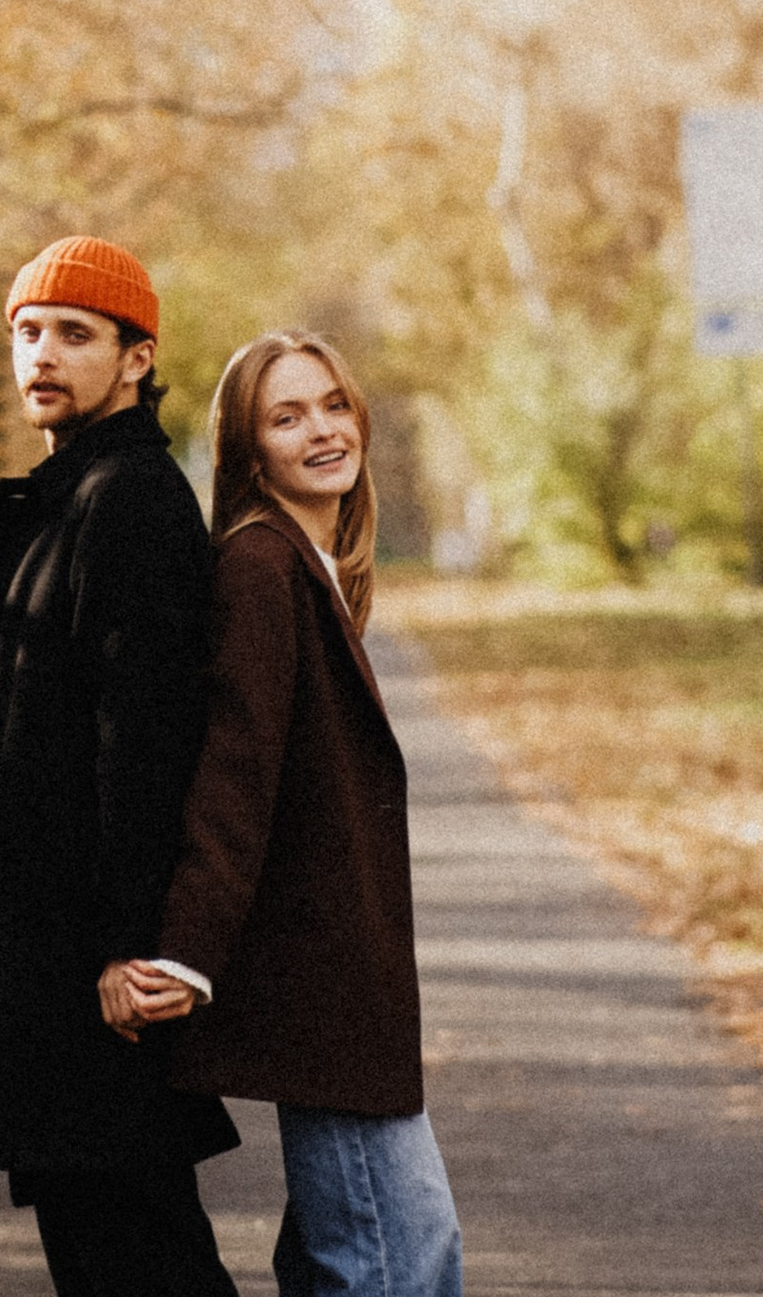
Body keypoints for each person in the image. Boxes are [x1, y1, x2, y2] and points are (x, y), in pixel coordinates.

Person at [116, 331, 465, 1297]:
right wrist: (189, 951)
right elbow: (235, 771)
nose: (322, 431)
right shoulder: (261, 569)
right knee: (399, 1260)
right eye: (287, 416)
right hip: (323, 990)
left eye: (333, 405)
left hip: (343, 991)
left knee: (346, 1259)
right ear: (249, 448)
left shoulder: (304, 563)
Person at [0, 236, 242, 1297]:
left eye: (75, 333)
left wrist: (126, 947)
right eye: (26, 332)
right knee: (106, 1239)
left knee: (138, 1250)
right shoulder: (72, 492)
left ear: (136, 356)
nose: (43, 354)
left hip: (93, 971)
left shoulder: (132, 503)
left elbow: (142, 742)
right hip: (47, 954)